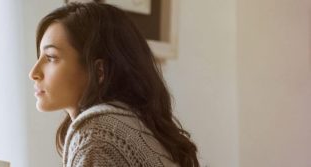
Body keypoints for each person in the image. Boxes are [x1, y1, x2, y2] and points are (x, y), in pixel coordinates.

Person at [29, 2, 199, 167]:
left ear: (99, 71)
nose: (33, 73)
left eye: (51, 58)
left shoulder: (96, 133)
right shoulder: (131, 123)